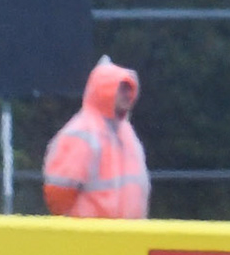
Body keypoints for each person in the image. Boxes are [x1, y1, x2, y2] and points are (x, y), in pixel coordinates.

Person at [43, 56, 150, 219]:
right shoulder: (81, 132)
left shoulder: (127, 132)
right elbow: (58, 194)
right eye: (121, 88)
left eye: (130, 89)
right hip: (88, 238)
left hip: (129, 236)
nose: (127, 94)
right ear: (105, 90)